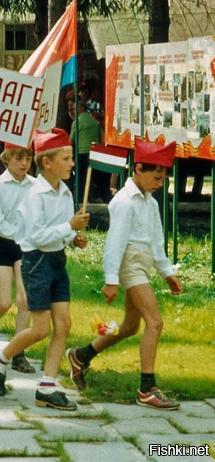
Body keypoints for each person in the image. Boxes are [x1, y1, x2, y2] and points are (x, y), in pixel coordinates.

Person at [65, 140, 183, 410]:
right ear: (138, 169)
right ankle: (146, 388)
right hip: (129, 262)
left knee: (130, 325)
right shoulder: (124, 202)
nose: (159, 183)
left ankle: (81, 355)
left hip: (143, 262)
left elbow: (156, 242)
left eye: (163, 178)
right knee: (155, 322)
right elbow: (115, 243)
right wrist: (111, 280)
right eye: (155, 177)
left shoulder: (150, 203)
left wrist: (167, 273)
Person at [0, 128, 90, 411]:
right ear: (47, 163)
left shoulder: (64, 191)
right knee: (41, 328)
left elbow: (60, 233)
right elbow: (37, 236)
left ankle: (47, 386)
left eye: (71, 158)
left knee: (63, 324)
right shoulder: (34, 195)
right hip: (37, 262)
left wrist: (73, 239)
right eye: (66, 158)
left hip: (56, 261)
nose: (72, 162)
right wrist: (69, 227)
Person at [0, 143, 36, 373]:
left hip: (26, 245)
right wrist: (17, 235)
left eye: (28, 159)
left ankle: (18, 353)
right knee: (4, 302)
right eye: (18, 159)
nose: (24, 164)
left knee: (25, 300)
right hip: (3, 243)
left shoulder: (34, 186)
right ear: (6, 159)